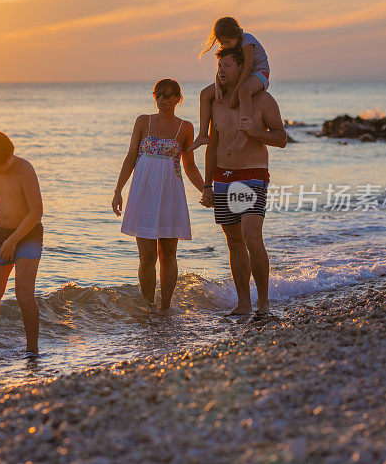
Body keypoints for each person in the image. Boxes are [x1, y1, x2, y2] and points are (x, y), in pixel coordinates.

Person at [200, 46, 286, 316]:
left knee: (251, 237)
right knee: (234, 242)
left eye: (227, 65)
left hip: (251, 175)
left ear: (242, 68)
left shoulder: (262, 100)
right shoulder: (215, 100)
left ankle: (263, 303)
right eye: (219, 66)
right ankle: (243, 303)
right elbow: (212, 145)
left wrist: (255, 131)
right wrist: (207, 184)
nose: (221, 70)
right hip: (223, 177)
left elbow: (281, 138)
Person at [112, 79, 205, 311]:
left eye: (168, 95)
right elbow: (131, 156)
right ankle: (148, 305)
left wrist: (206, 190)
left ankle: (165, 306)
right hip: (143, 192)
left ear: (178, 99)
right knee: (146, 256)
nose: (162, 99)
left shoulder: (185, 127)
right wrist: (118, 191)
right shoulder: (143, 121)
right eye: (159, 95)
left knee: (168, 254)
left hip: (170, 192)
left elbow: (190, 166)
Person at [0, 131, 43, 357]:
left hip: (28, 234)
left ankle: (32, 349)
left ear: (8, 156)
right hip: (2, 233)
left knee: (24, 293)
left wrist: (13, 241)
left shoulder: (24, 169)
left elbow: (36, 212)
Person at [189, 16, 271, 153]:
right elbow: (220, 68)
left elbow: (248, 68)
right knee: (205, 94)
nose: (225, 46)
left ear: (236, 34)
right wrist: (217, 86)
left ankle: (243, 134)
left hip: (259, 73)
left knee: (244, 91)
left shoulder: (247, 41)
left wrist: (235, 93)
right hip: (240, 73)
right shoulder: (229, 44)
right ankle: (203, 134)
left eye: (227, 42)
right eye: (222, 43)